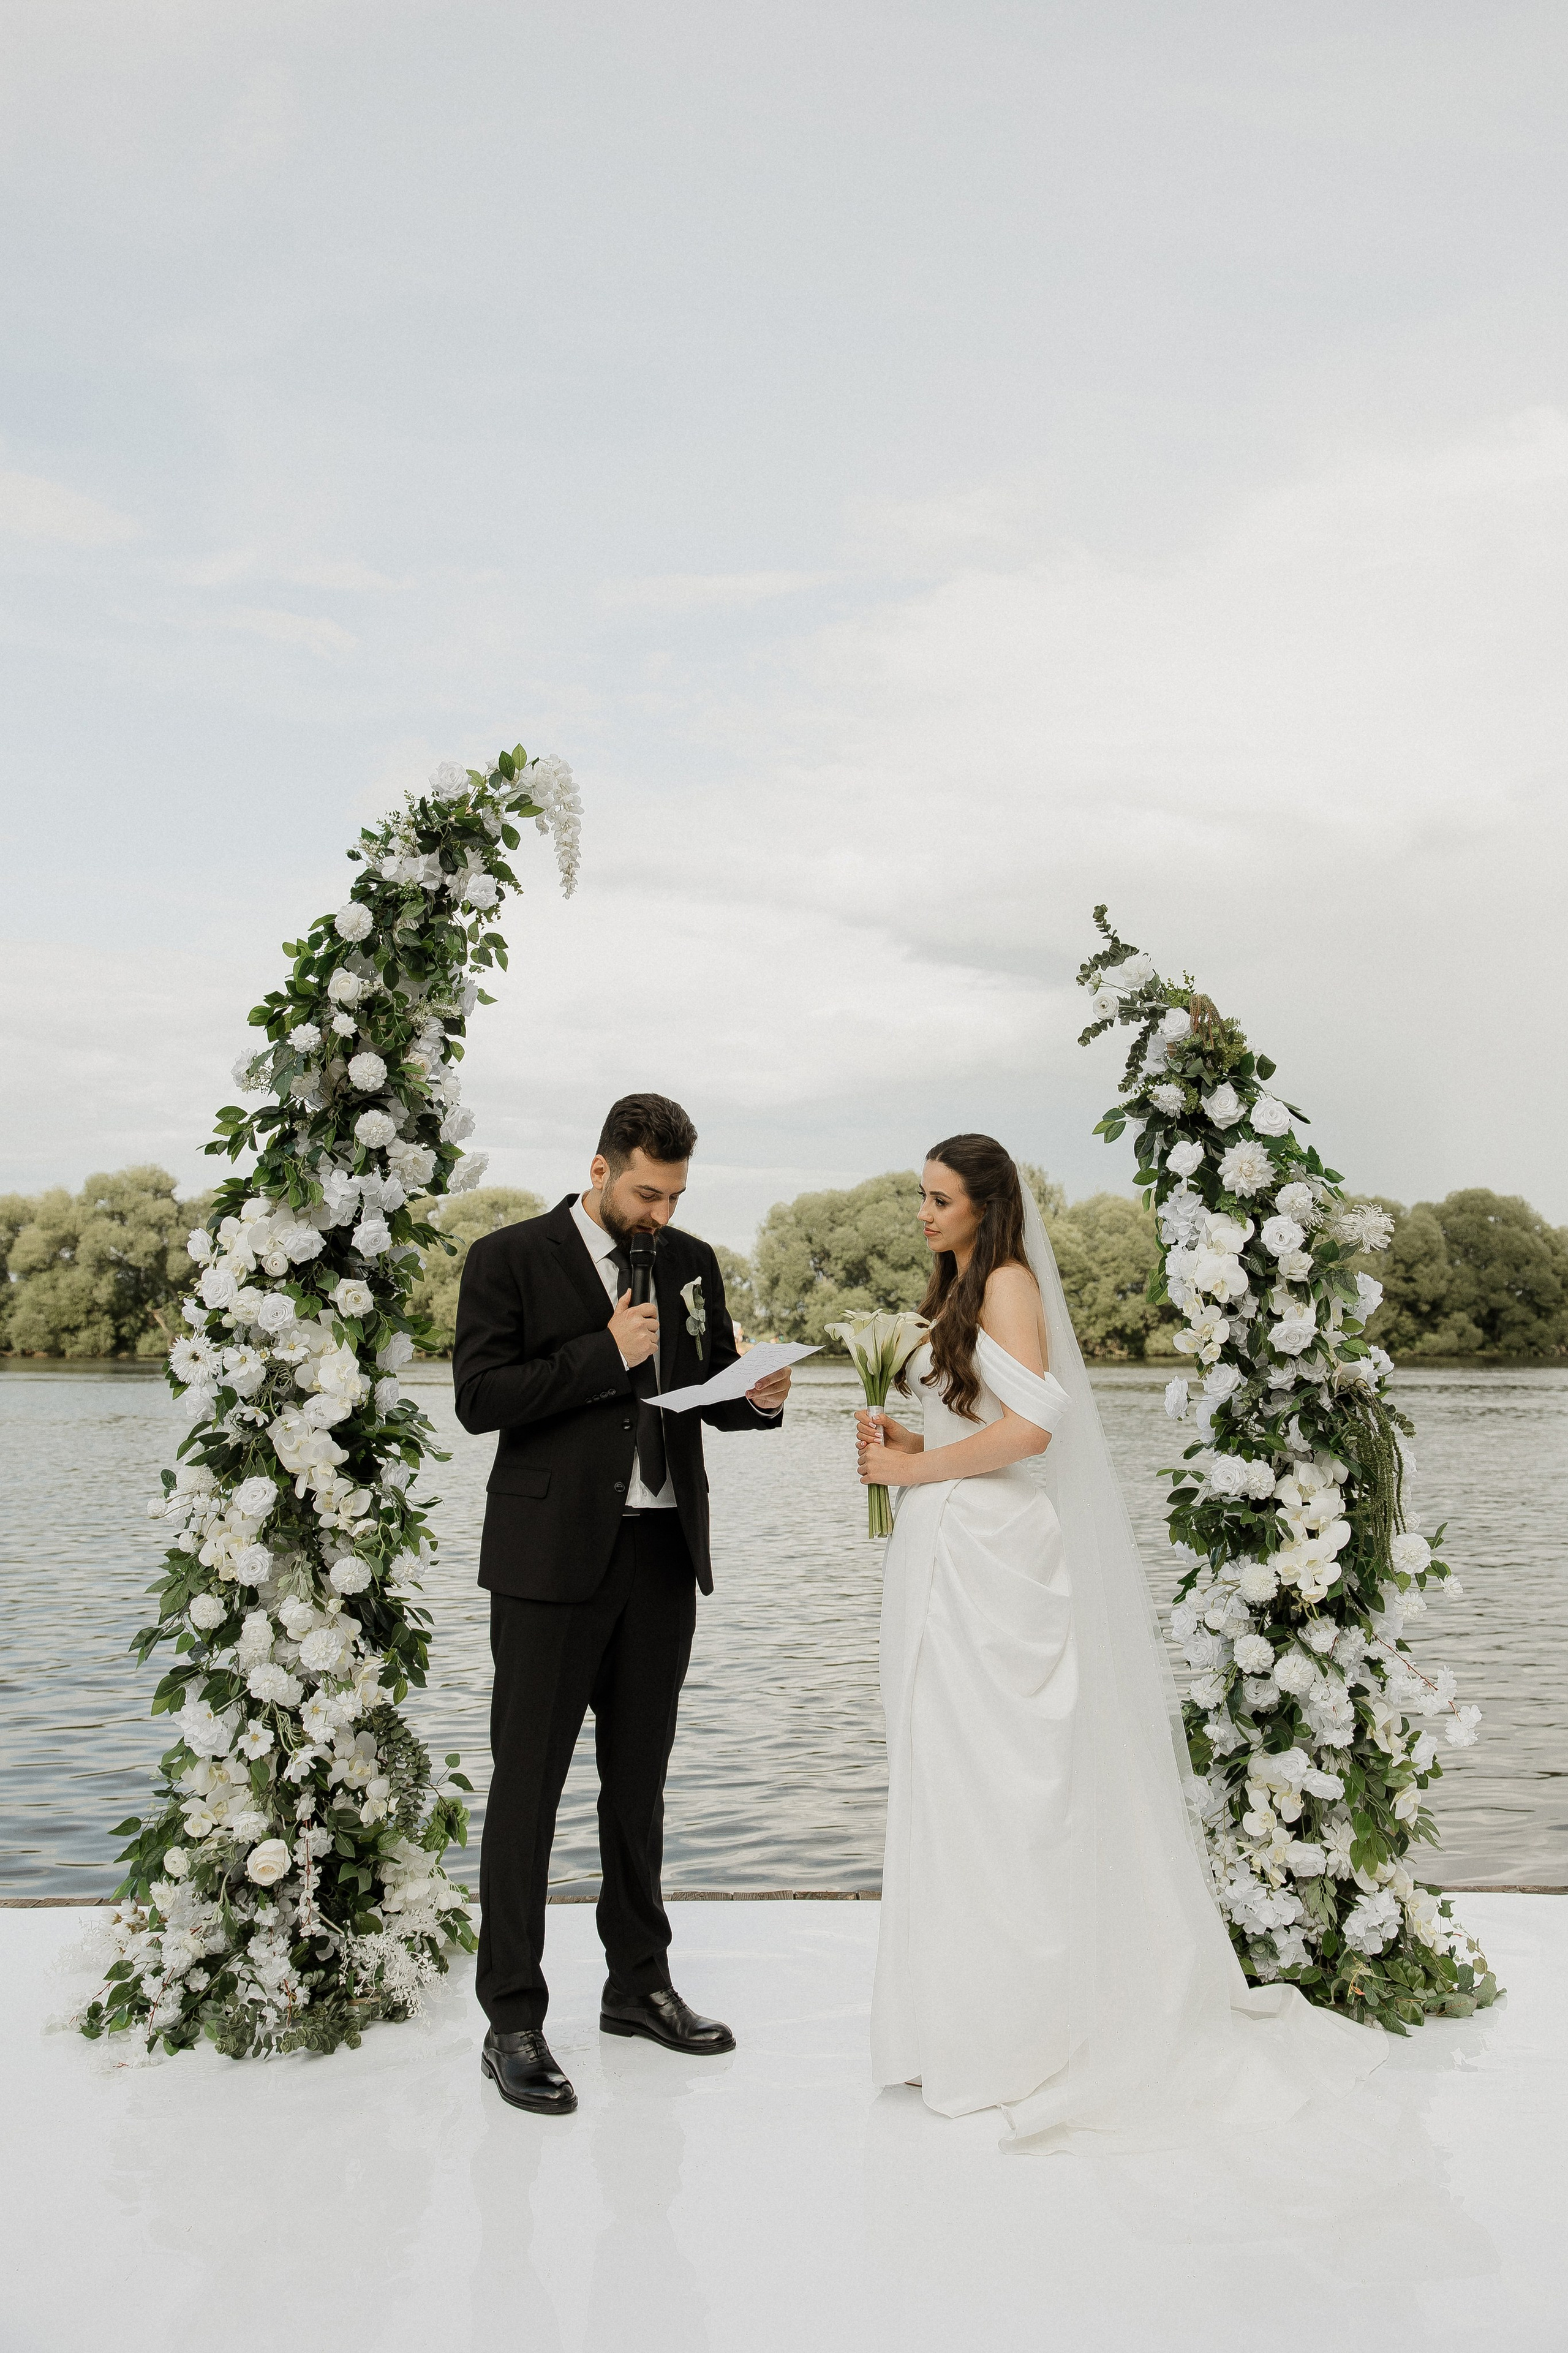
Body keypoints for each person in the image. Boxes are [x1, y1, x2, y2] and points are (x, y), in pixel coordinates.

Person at [856, 1134, 1382, 2150]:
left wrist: (917, 1475)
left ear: (985, 1204)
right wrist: (908, 1448)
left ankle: (1025, 2030)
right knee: (948, 1780)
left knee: (1008, 1784)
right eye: (919, 1195)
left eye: (938, 1197)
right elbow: (981, 1419)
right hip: (944, 1551)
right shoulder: (959, 1284)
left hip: (996, 1556)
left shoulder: (1006, 1280)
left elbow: (1035, 1427)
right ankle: (951, 2019)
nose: (922, 1212)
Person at [453, 1092, 792, 2116]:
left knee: (637, 1785)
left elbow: (707, 1386)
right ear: (598, 1168)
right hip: (550, 1563)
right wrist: (605, 1352)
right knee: (530, 1790)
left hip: (659, 1556)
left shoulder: (690, 1262)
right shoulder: (507, 1257)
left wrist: (757, 1397)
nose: (660, 1211)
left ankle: (638, 1984)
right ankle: (512, 2017)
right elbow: (481, 1398)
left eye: (676, 1193)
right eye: (647, 1190)